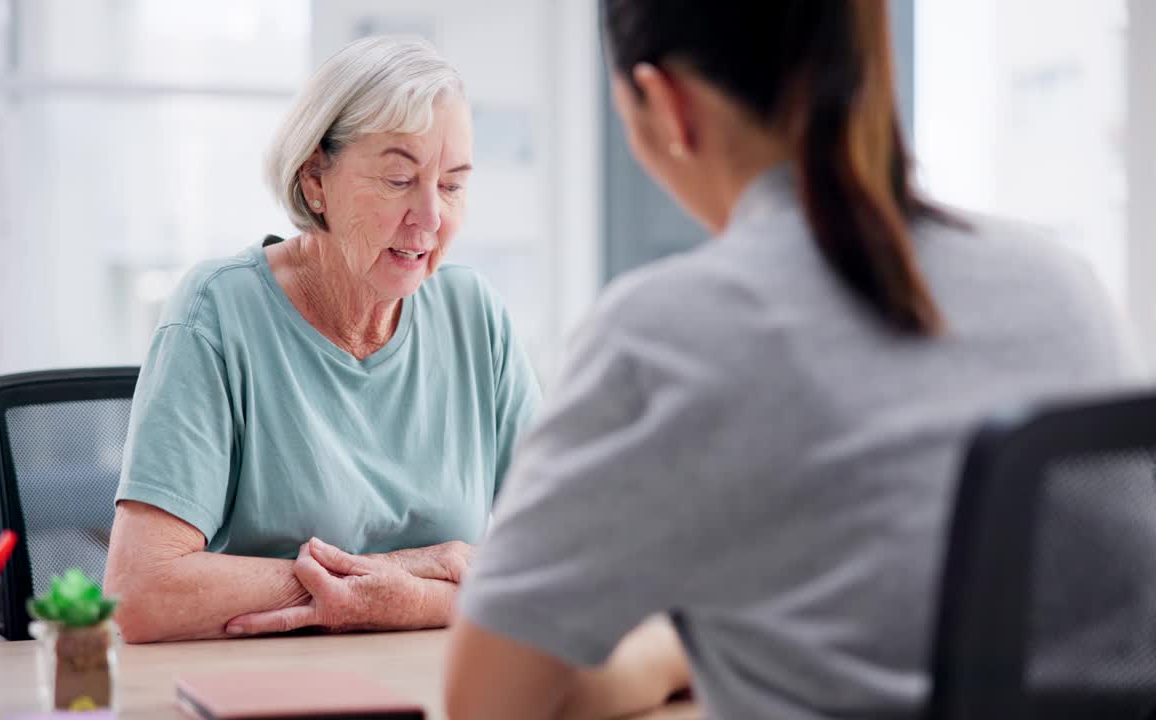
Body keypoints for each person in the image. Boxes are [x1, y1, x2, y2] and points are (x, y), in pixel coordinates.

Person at [446, 2, 1147, 718]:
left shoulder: (669, 335)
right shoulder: (1067, 289)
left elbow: (488, 702)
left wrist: (670, 648)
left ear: (666, 107)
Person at [103, 36, 541, 644]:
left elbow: (566, 554)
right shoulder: (219, 312)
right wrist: (394, 576)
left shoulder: (475, 316)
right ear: (315, 181)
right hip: (272, 690)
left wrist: (413, 602)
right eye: (397, 179)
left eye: (451, 185)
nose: (430, 217)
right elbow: (140, 594)